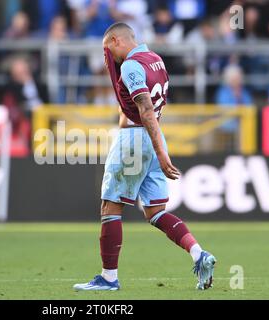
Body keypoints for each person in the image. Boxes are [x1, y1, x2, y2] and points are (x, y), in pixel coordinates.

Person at [73, 23, 216, 291]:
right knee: (155, 211)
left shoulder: (130, 65)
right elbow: (148, 105)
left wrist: (161, 153)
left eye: (108, 49)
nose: (110, 58)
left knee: (111, 206)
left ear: (116, 40)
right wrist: (159, 146)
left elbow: (146, 109)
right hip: (154, 136)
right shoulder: (156, 60)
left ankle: (109, 278)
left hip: (137, 139)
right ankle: (200, 254)